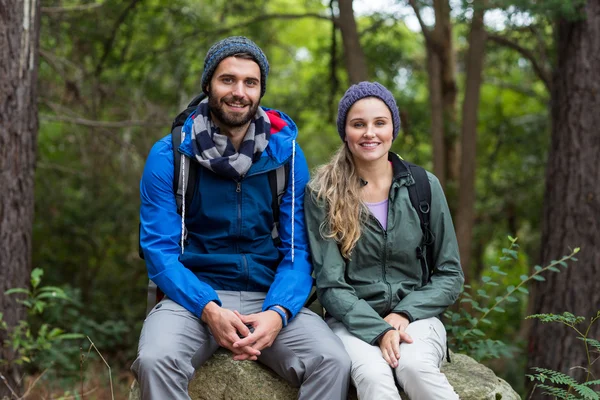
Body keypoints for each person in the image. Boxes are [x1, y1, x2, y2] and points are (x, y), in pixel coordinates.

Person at [132, 36, 351, 400]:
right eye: (228, 80)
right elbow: (159, 253)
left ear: (261, 90)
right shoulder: (170, 154)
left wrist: (279, 312)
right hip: (191, 298)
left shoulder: (286, 155)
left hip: (267, 296)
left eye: (250, 82)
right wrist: (208, 309)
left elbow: (298, 252)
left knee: (332, 361)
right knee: (156, 359)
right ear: (208, 85)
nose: (239, 92)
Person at [305, 81, 464, 400]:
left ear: (393, 128)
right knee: (374, 378)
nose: (369, 133)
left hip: (415, 316)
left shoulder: (423, 186)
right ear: (345, 132)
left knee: (415, 368)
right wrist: (378, 329)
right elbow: (330, 285)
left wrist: (403, 314)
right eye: (358, 124)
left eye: (380, 123)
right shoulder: (322, 194)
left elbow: (450, 275)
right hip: (349, 323)